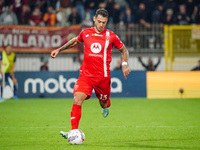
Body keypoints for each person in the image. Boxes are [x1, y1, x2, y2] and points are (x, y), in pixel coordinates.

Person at [51, 8, 131, 139]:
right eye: (99, 21)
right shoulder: (85, 33)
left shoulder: (111, 36)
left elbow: (124, 50)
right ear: (94, 19)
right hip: (86, 76)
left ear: (106, 22)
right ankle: (73, 132)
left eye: (104, 22)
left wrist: (124, 64)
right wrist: (59, 50)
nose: (101, 25)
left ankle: (105, 106)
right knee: (77, 99)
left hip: (103, 78)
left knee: (103, 103)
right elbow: (75, 41)